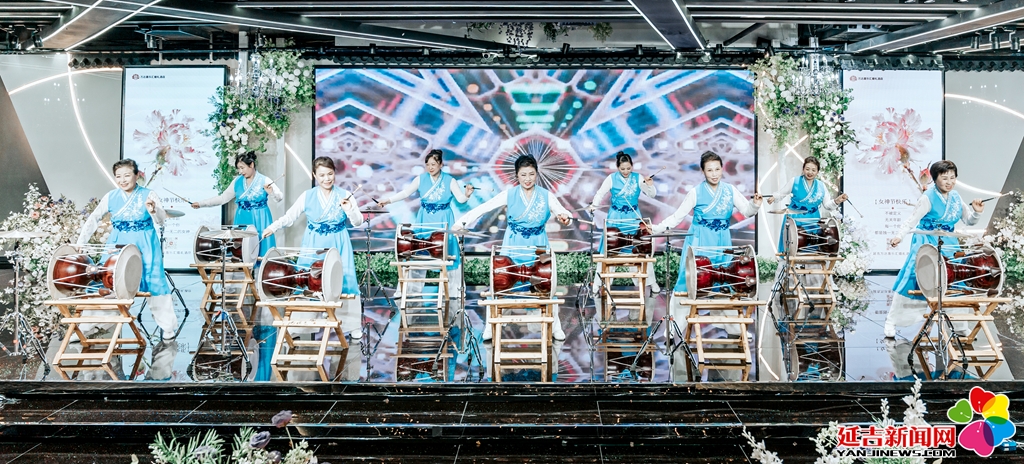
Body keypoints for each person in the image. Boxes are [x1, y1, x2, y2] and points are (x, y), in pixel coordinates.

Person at [455, 155, 573, 341]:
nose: (527, 179)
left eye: (531, 174)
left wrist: (566, 217)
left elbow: (563, 212)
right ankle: (491, 325)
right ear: (517, 175)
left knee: (545, 284)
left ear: (537, 174)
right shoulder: (509, 194)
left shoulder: (546, 195)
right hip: (513, 242)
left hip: (538, 244)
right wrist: (461, 223)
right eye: (523, 174)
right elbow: (484, 208)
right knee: (501, 282)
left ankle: (555, 326)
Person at [263, 156, 364, 340]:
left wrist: (349, 209)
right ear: (314, 175)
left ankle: (350, 324)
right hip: (313, 243)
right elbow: (290, 217)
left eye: (330, 174)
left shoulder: (345, 194)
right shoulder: (307, 196)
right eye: (322, 175)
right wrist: (272, 227)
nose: (327, 179)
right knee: (306, 279)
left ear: (335, 173)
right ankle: (300, 326)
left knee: (344, 280)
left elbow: (358, 222)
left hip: (338, 242)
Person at [77, 159, 179, 340]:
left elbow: (161, 221)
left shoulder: (149, 194)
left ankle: (167, 327)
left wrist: (153, 211)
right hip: (118, 243)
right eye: (118, 176)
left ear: (136, 175)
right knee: (107, 280)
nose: (122, 180)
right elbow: (94, 218)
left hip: (145, 244)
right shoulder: (111, 196)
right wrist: (81, 242)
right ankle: (88, 325)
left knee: (154, 281)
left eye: (126, 175)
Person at [652, 151, 762, 319]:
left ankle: (730, 324)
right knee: (688, 282)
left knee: (725, 280)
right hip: (700, 241)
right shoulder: (695, 192)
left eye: (717, 169)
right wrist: (656, 228)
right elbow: (677, 217)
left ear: (722, 169)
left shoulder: (730, 190)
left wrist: (755, 204)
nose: (714, 174)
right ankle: (675, 326)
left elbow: (747, 212)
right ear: (702, 171)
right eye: (709, 170)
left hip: (722, 241)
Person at [883, 160, 984, 338]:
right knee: (914, 278)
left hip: (949, 243)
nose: (949, 182)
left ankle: (959, 325)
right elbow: (912, 220)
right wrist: (899, 236)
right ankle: (892, 321)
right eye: (944, 178)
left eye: (952, 178)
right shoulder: (927, 197)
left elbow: (969, 221)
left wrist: (976, 212)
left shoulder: (956, 197)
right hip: (926, 241)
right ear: (935, 179)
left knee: (955, 279)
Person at [377, 149, 474, 297]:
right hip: (424, 218)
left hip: (443, 218)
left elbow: (460, 199)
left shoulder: (450, 180)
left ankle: (453, 291)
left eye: (433, 164)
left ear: (441, 164)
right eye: (427, 164)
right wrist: (388, 200)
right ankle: (412, 291)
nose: (430, 167)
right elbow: (405, 193)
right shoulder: (420, 179)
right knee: (418, 250)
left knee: (447, 251)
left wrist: (467, 194)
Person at [585, 151, 659, 293]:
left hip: (633, 217)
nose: (625, 171)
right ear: (618, 167)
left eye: (628, 168)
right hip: (615, 217)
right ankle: (598, 283)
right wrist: (594, 205)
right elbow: (600, 193)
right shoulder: (611, 178)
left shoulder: (638, 178)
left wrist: (650, 185)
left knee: (640, 250)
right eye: (622, 169)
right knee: (609, 250)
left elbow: (652, 195)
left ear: (632, 166)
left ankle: (651, 283)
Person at [191, 151, 282, 257]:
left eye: (242, 168)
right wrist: (201, 204)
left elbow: (279, 198)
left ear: (251, 165)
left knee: (261, 248)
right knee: (241, 249)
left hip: (261, 218)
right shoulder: (237, 181)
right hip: (242, 217)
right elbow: (223, 198)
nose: (240, 171)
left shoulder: (264, 180)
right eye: (238, 168)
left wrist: (271, 192)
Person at [767, 156, 848, 253]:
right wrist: (774, 197)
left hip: (813, 219)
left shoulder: (821, 186)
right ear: (803, 169)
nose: (810, 172)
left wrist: (837, 200)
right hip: (794, 218)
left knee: (812, 248)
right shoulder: (795, 181)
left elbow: (827, 205)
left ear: (817, 172)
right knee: (793, 248)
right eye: (807, 169)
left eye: (813, 170)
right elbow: (781, 193)